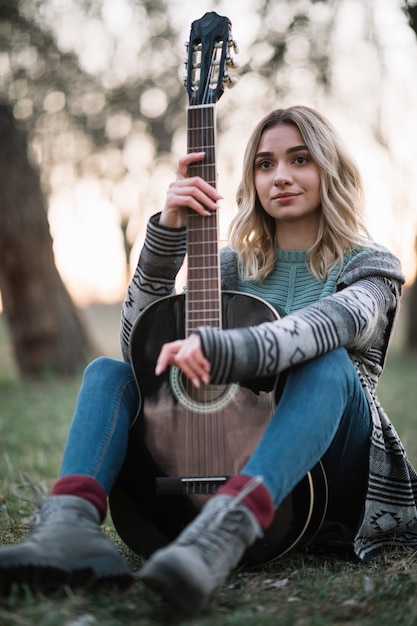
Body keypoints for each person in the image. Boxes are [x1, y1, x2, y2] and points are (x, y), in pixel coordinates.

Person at [1, 105, 417, 614]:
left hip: (334, 475)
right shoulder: (227, 268)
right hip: (220, 455)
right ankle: (68, 526)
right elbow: (142, 348)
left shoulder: (372, 265)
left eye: (299, 159)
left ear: (330, 169)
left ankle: (225, 530)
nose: (280, 176)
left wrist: (225, 350)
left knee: (325, 361)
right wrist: (166, 236)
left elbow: (328, 325)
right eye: (265, 165)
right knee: (108, 372)